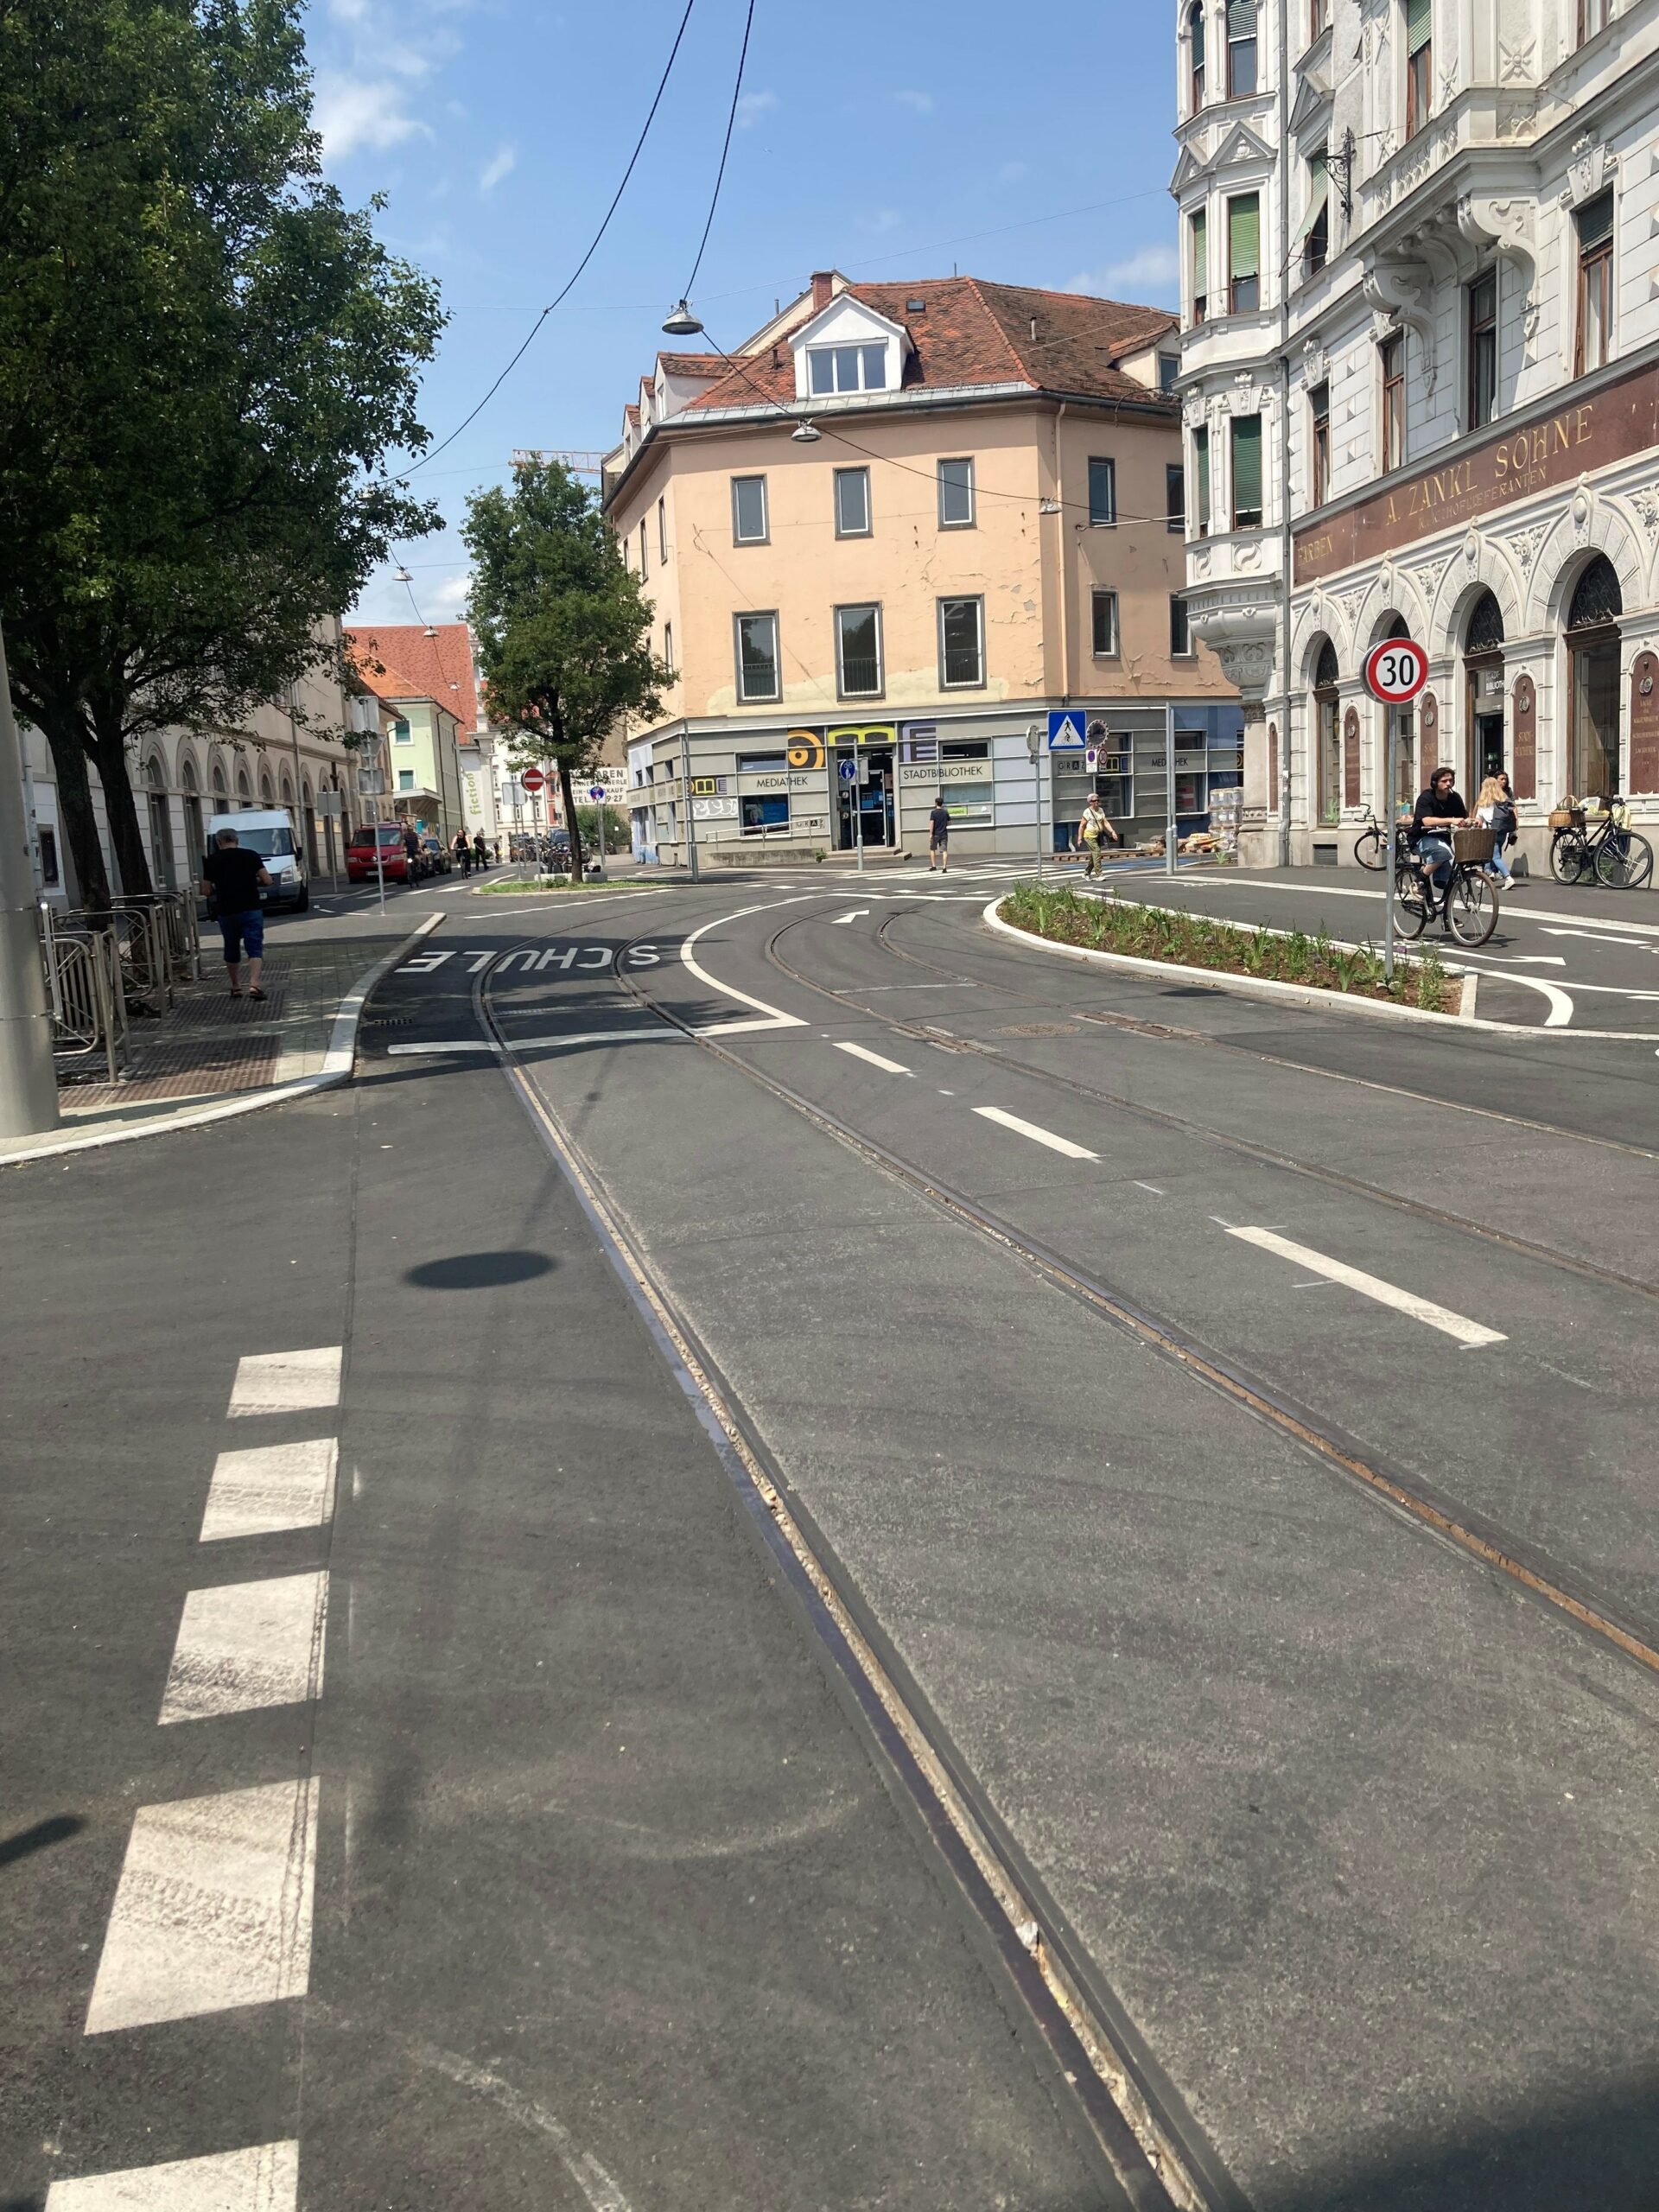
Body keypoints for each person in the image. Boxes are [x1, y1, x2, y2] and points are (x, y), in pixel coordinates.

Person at [200, 827, 271, 999]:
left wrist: (220, 885)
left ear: (219, 842)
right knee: (254, 946)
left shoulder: (212, 860)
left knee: (231, 947)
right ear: (237, 840)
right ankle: (254, 984)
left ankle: (236, 986)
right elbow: (267, 880)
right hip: (251, 908)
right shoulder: (251, 855)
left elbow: (206, 890)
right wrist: (252, 881)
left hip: (227, 910)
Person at [1408, 765, 1469, 894]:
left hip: (1443, 840)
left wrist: (1473, 821)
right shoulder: (1426, 797)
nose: (1449, 784)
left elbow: (1463, 818)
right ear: (1435, 783)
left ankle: (1446, 911)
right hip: (1421, 839)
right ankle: (1419, 881)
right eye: (1444, 781)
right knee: (1443, 853)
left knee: (1451, 874)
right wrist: (1451, 820)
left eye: (1451, 780)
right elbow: (1427, 820)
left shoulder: (1455, 798)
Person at [1473, 773, 1516, 887]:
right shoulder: (1503, 800)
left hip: (1490, 832)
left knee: (1495, 857)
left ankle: (1508, 877)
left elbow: (1479, 820)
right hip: (1502, 831)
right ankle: (1487, 878)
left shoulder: (1484, 803)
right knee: (1489, 854)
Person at [1073, 792, 1121, 879]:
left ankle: (1086, 873)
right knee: (1097, 852)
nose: (1097, 802)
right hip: (1089, 836)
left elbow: (1105, 822)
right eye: (1095, 800)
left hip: (1098, 835)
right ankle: (1099, 874)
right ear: (1090, 802)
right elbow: (1082, 825)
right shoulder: (1087, 812)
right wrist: (1079, 838)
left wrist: (1112, 832)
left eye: (1098, 800)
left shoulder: (1100, 810)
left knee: (1094, 855)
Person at [928, 794, 951, 874]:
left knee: (932, 849)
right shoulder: (945, 812)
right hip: (944, 833)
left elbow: (932, 823)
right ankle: (944, 867)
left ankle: (934, 866)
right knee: (944, 850)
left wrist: (931, 834)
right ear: (942, 803)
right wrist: (944, 825)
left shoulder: (933, 812)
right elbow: (950, 823)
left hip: (935, 834)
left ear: (936, 803)